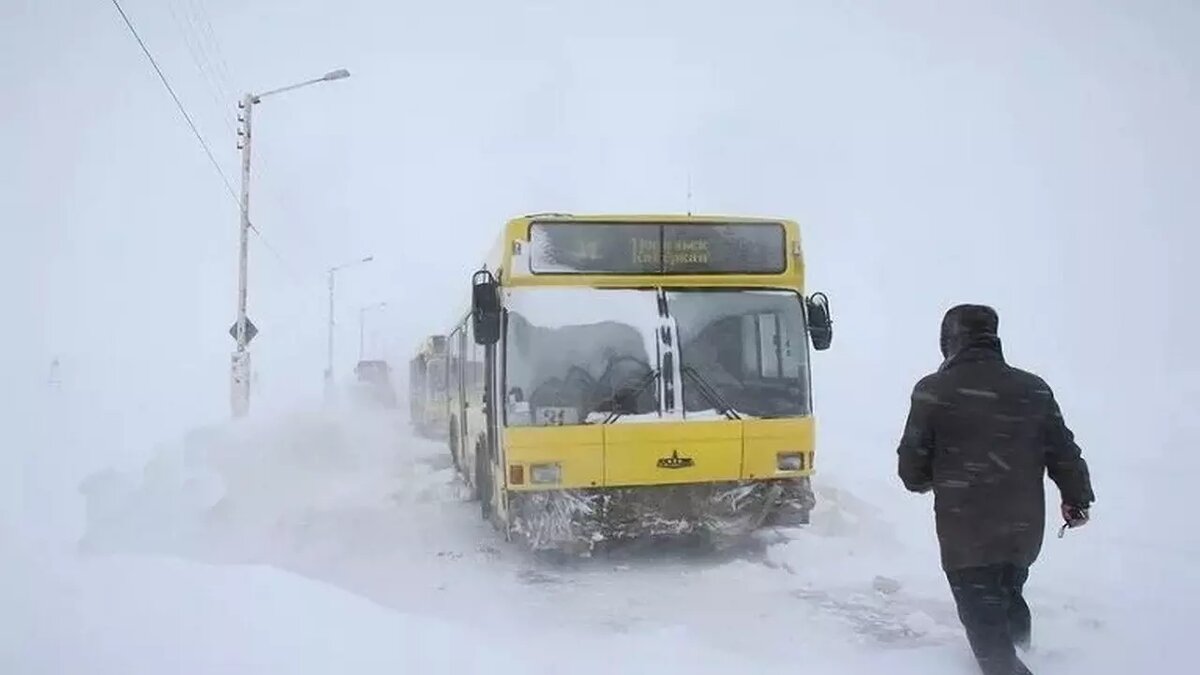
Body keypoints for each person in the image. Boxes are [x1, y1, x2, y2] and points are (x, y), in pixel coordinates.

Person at [897, 304, 1095, 675]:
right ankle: (1024, 653)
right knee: (1008, 595)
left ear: (950, 340)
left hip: (966, 532)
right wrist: (1076, 498)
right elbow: (1064, 452)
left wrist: (928, 479)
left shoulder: (933, 391)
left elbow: (911, 469)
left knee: (987, 630)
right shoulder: (1032, 389)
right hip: (1023, 529)